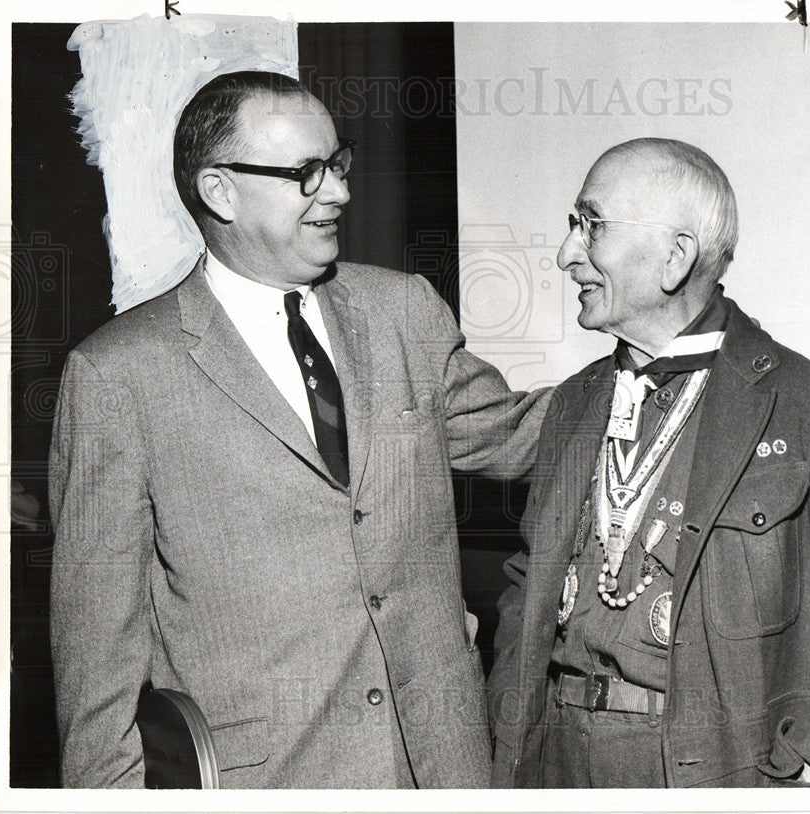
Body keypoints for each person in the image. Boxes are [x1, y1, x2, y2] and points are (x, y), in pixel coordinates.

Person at [48, 71, 549, 789]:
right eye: (306, 174)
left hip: (444, 773)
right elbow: (97, 671)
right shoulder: (118, 377)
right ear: (219, 191)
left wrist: (669, 365)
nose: (339, 192)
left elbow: (518, 432)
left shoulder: (402, 311)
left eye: (336, 164)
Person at [486, 138, 810, 788]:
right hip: (554, 772)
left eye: (589, 225)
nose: (567, 253)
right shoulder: (575, 403)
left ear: (674, 258)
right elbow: (531, 585)